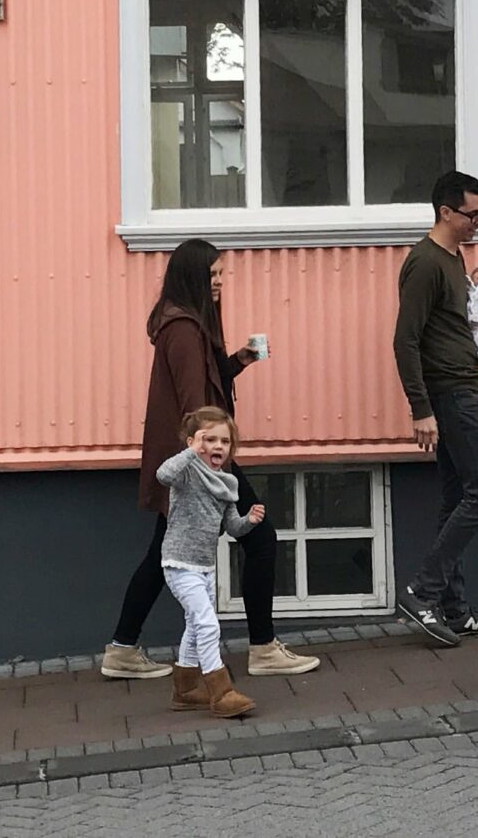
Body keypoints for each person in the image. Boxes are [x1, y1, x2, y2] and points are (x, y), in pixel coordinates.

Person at [101, 239, 321, 681]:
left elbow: (205, 381)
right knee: (260, 539)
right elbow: (193, 407)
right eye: (213, 275)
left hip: (193, 460)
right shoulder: (182, 330)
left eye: (221, 274)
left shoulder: (186, 324)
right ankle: (262, 649)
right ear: (193, 278)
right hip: (202, 460)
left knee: (163, 554)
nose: (219, 283)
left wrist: (238, 359)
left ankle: (122, 649)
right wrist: (214, 454)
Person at [391, 169, 478, 646]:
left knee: (456, 498)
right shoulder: (425, 263)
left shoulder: (453, 259)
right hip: (450, 395)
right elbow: (405, 340)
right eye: (472, 213)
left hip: (462, 386)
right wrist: (421, 408)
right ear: (445, 211)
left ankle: (454, 610)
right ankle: (422, 591)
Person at [157, 407, 265, 718]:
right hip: (179, 563)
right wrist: (191, 451)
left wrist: (250, 521)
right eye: (210, 439)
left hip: (205, 567)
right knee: (207, 624)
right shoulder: (186, 472)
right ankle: (221, 691)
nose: (218, 446)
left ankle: (186, 690)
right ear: (193, 442)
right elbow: (162, 474)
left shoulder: (227, 482)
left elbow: (232, 527)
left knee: (194, 624)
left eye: (225, 441)